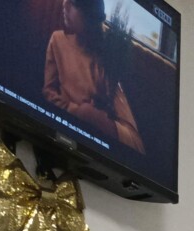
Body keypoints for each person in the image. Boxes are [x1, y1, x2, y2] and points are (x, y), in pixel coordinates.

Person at [43, 0, 145, 154]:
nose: (65, 4)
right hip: (56, 131)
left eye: (74, 3)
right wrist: (79, 112)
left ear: (90, 16)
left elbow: (136, 144)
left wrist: (97, 119)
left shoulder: (105, 63)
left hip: (89, 147)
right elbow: (48, 93)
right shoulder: (57, 40)